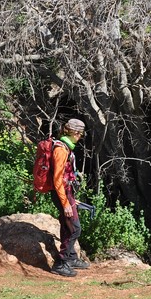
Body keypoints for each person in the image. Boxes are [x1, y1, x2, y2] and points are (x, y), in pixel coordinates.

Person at [50, 118, 90, 277]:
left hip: (67, 193)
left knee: (67, 226)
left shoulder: (66, 147)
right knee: (75, 228)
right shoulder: (60, 150)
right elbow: (57, 179)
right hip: (61, 193)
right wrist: (66, 203)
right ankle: (60, 264)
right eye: (79, 134)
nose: (80, 137)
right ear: (74, 132)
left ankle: (72, 258)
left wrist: (72, 199)